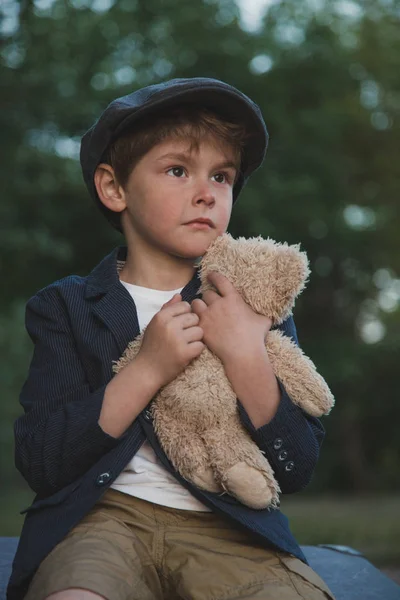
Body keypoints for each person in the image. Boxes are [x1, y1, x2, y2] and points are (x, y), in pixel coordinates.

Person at [7, 77, 335, 600]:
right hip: (102, 521)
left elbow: (298, 467)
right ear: (114, 188)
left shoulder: (252, 304)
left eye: (222, 176)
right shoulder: (66, 306)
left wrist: (245, 353)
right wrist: (147, 370)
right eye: (178, 170)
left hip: (232, 531)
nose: (207, 192)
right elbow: (42, 463)